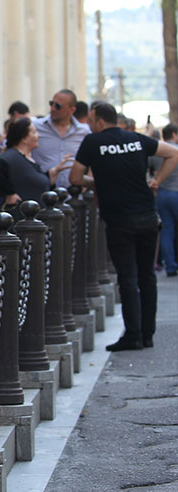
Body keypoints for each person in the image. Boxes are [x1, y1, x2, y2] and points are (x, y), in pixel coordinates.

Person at [70, 102, 178, 351]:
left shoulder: (92, 143)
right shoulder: (136, 139)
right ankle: (148, 334)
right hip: (147, 216)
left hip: (119, 219)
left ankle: (133, 335)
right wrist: (156, 181)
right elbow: (173, 153)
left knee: (128, 278)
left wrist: (98, 182)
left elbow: (75, 177)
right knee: (147, 276)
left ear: (97, 121)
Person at [0, 117, 73, 211]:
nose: (38, 135)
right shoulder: (13, 156)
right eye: (34, 132)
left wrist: (52, 174)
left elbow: (28, 181)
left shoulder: (26, 157)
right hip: (20, 219)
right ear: (24, 138)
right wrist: (10, 193)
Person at [31, 89, 90, 188]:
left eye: (58, 106)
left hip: (74, 194)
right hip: (43, 192)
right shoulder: (35, 127)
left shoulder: (84, 132)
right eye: (51, 104)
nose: (53, 108)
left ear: (72, 110)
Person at [153, 123, 178, 276]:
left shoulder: (157, 151)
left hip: (162, 193)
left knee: (166, 230)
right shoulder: (174, 150)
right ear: (174, 134)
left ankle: (170, 266)